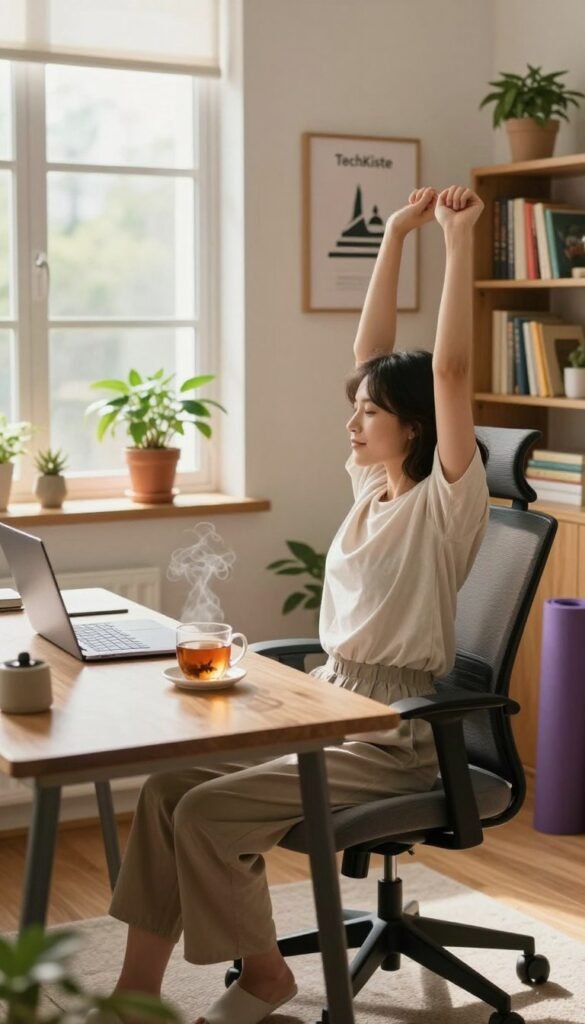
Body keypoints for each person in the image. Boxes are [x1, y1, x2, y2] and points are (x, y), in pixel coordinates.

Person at [102, 185, 490, 1024]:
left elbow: (451, 373)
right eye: (353, 410)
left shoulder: (445, 503)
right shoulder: (369, 487)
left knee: (207, 814)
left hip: (394, 733)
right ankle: (134, 993)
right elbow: (370, 349)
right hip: (330, 699)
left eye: (370, 414)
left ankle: (266, 975)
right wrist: (392, 232)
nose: (351, 423)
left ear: (415, 429)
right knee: (168, 788)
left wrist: (458, 243)